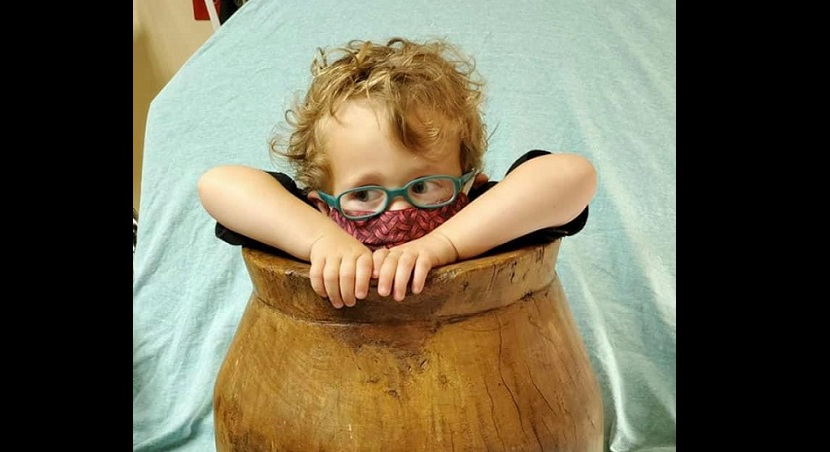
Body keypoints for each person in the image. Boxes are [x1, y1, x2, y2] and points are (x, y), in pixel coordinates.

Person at [198, 37, 596, 309]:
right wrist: (321, 240)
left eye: (423, 185)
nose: (400, 212)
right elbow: (217, 185)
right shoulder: (320, 226)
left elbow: (573, 175)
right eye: (364, 194)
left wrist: (444, 245)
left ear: (472, 186)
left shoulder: (479, 213)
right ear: (323, 206)